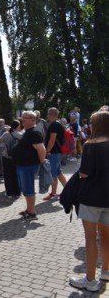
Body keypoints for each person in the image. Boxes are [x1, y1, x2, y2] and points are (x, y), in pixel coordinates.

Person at [69, 110, 109, 292]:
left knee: (91, 238)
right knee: (107, 237)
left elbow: (84, 173)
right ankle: (106, 271)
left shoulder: (90, 145)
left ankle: (90, 280)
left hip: (92, 197)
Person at [10, 111, 46, 221]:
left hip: (28, 165)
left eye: (25, 118)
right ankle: (29, 209)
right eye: (22, 117)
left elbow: (42, 149)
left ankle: (32, 213)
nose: (23, 120)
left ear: (33, 120)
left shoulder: (34, 133)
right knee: (26, 189)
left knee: (29, 189)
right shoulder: (27, 131)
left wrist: (41, 162)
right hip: (23, 165)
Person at [43, 107, 67, 201]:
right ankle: (68, 189)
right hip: (58, 152)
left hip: (54, 152)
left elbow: (52, 139)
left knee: (53, 174)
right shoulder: (58, 124)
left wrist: (47, 151)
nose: (47, 116)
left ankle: (53, 193)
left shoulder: (54, 125)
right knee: (58, 172)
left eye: (48, 114)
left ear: (50, 114)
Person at [0, 120, 23, 197]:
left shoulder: (6, 134)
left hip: (6, 155)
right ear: (18, 126)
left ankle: (9, 192)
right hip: (17, 156)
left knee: (8, 175)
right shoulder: (21, 134)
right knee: (16, 174)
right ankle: (17, 192)